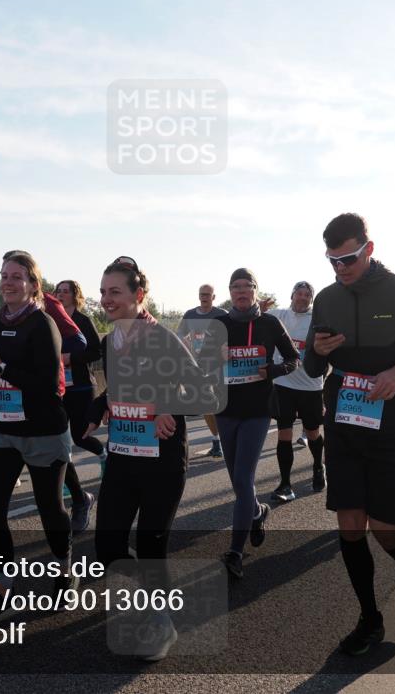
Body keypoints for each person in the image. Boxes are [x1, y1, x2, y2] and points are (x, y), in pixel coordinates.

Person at [304, 213, 395, 656]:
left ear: (368, 248)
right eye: (331, 260)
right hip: (344, 421)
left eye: (347, 258)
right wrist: (316, 351)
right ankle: (369, 618)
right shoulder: (326, 299)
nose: (339, 268)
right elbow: (311, 368)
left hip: (392, 421)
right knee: (349, 526)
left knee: (385, 527)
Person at [86, 256, 212, 660]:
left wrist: (166, 406)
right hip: (122, 455)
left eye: (115, 292)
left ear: (139, 295)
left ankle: (161, 624)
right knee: (107, 547)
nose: (106, 299)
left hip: (162, 459)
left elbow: (201, 390)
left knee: (151, 543)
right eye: (103, 292)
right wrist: (98, 408)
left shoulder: (162, 339)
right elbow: (117, 389)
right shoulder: (111, 342)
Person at [0, 250, 78, 612]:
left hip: (43, 431)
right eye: (4, 276)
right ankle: (1, 584)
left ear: (33, 285)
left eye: (17, 276)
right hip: (1, 430)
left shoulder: (43, 325)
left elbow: (45, 386)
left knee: (50, 508)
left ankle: (64, 567)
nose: (8, 282)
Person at [201, 268, 298, 579]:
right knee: (237, 481)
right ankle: (257, 512)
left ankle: (235, 552)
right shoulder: (219, 324)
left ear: (256, 291)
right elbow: (202, 362)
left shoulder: (270, 323)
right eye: (236, 286)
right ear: (230, 292)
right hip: (226, 409)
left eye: (247, 286)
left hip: (257, 410)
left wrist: (272, 371)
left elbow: (294, 360)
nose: (241, 291)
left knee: (243, 479)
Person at [263, 281, 326, 500]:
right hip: (284, 385)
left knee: (312, 432)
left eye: (307, 294)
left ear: (311, 299)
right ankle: (285, 484)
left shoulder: (317, 321)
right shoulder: (279, 314)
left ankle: (318, 466)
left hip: (310, 386)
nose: (302, 297)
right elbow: (256, 316)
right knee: (284, 434)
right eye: (299, 293)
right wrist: (260, 308)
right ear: (292, 295)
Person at [55, 279, 106, 530]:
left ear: (76, 296)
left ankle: (103, 454)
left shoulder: (83, 321)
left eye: (66, 291)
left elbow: (96, 351)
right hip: (59, 389)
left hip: (83, 386)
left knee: (79, 435)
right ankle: (69, 483)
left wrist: (70, 358)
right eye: (58, 291)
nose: (61, 294)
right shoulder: (51, 320)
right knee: (60, 437)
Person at [176, 284, 227, 457]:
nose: (203, 297)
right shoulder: (190, 315)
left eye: (207, 295)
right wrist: (184, 344)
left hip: (219, 365)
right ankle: (216, 441)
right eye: (201, 295)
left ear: (213, 297)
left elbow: (233, 334)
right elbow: (179, 335)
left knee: (221, 405)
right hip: (198, 366)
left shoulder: (222, 315)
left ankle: (226, 439)